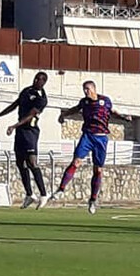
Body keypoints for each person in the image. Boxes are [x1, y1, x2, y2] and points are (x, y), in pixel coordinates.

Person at [53, 80, 132, 214]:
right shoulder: (84, 102)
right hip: (88, 136)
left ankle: (93, 200)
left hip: (101, 138)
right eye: (84, 89)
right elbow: (75, 109)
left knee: (98, 170)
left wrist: (124, 117)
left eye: (88, 89)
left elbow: (112, 112)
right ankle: (61, 189)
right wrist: (63, 114)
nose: (85, 92)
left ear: (94, 89)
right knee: (76, 162)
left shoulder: (105, 101)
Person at [0, 72, 50, 210]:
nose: (36, 80)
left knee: (32, 162)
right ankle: (29, 194)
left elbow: (30, 115)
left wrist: (14, 126)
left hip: (30, 131)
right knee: (20, 163)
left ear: (44, 82)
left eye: (40, 79)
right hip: (20, 131)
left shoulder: (42, 99)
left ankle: (44, 194)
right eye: (35, 77)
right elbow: (14, 105)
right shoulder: (26, 91)